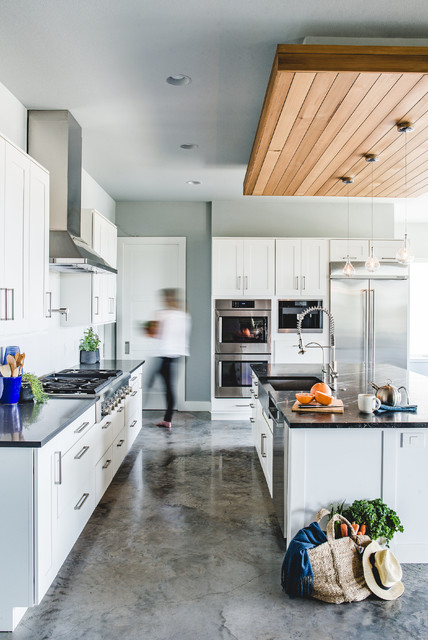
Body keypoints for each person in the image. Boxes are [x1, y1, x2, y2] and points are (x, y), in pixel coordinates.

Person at [145, 288, 191, 429]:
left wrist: (148, 328)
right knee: (166, 386)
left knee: (155, 383)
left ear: (167, 299)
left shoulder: (164, 314)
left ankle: (165, 419)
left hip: (165, 355)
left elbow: (154, 334)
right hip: (176, 355)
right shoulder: (184, 316)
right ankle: (167, 419)